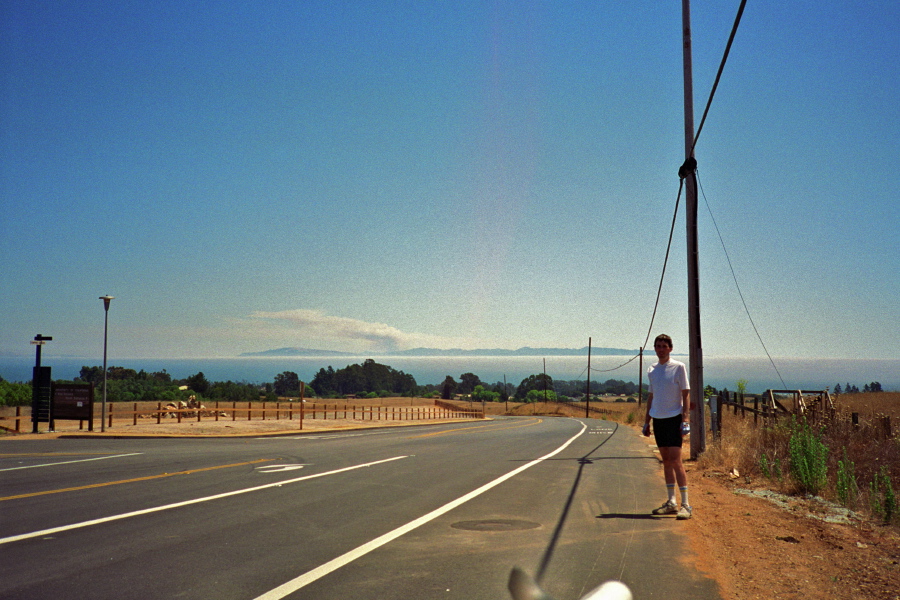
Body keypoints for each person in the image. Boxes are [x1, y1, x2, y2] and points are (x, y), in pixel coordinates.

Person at [642, 333, 692, 519]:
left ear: (670, 348)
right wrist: (646, 422)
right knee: (666, 462)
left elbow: (686, 394)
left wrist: (685, 420)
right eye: (658, 346)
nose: (661, 349)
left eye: (664, 346)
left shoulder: (679, 367)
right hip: (658, 419)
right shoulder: (652, 370)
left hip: (674, 418)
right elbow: (651, 396)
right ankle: (671, 501)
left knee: (676, 460)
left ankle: (685, 504)